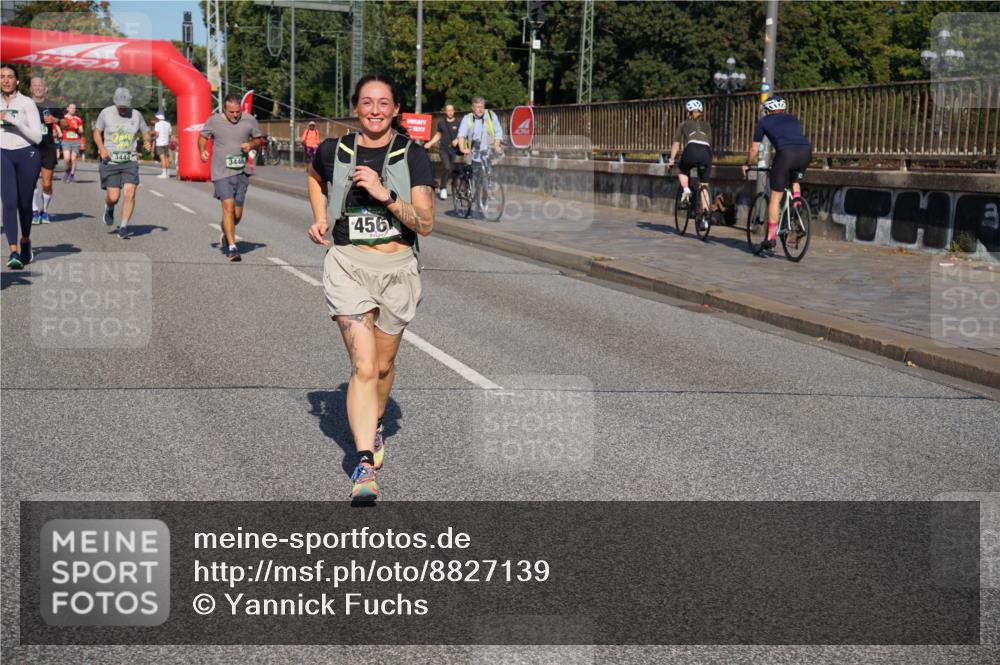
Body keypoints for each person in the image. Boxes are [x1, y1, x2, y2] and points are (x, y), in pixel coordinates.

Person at [306, 74, 434, 500]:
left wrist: (384, 195)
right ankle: (363, 464)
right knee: (362, 368)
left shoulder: (412, 155)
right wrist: (321, 214)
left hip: (398, 269)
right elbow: (313, 176)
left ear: (396, 109)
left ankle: (375, 425)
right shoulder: (334, 150)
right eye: (367, 102)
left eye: (383, 103)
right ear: (355, 107)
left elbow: (427, 224)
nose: (375, 110)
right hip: (347, 265)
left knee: (381, 367)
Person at [741, 95, 812, 255]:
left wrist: (748, 163)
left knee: (775, 197)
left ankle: (771, 237)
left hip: (786, 155)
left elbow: (754, 148)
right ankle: (797, 208)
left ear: (767, 110)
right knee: (794, 179)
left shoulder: (764, 122)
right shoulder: (793, 119)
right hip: (805, 153)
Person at [199, 94, 265, 262]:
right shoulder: (214, 121)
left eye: (237, 112)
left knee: (236, 214)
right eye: (231, 112)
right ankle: (233, 247)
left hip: (241, 171)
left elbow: (258, 140)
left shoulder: (249, 120)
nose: (235, 115)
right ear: (224, 109)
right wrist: (202, 150)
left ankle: (225, 230)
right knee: (227, 207)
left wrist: (251, 145)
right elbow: (202, 137)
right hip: (221, 172)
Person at [93, 87, 153, 239]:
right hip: (110, 159)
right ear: (115, 102)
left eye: (125, 106)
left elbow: (146, 132)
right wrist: (101, 148)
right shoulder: (106, 113)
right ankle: (109, 206)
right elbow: (96, 132)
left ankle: (124, 226)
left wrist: (147, 141)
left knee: (130, 192)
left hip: (130, 160)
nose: (123, 109)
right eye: (120, 106)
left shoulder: (137, 115)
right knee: (113, 197)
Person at [1, 64, 43, 269]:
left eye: (10, 77)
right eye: (2, 77)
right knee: (8, 202)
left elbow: (37, 137)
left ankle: (25, 240)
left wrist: (12, 120)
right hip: (3, 155)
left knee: (24, 205)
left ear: (17, 81)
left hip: (27, 154)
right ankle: (13, 252)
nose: (6, 80)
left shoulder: (27, 103)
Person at [667, 99, 713, 232]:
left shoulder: (684, 124)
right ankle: (705, 218)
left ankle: (686, 189)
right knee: (704, 185)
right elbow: (709, 144)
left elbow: (676, 143)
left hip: (691, 150)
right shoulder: (707, 125)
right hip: (706, 153)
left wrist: (671, 160)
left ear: (688, 111)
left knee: (682, 170)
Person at [29, 75, 62, 225]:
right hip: (29, 147)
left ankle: (45, 210)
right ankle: (34, 210)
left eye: (40, 85)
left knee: (47, 184)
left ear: (45, 88)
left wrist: (55, 120)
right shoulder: (25, 104)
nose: (37, 87)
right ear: (30, 88)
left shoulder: (53, 105)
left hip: (47, 148)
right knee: (30, 182)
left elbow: (66, 123)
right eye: (34, 85)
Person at [424, 103, 461, 200]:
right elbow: (438, 135)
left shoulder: (459, 122)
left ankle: (451, 187)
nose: (450, 112)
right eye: (448, 110)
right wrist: (430, 143)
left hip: (454, 150)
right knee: (447, 167)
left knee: (451, 169)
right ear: (445, 112)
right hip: (443, 149)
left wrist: (457, 140)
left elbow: (462, 134)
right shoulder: (441, 123)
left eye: (451, 110)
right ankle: (443, 188)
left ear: (454, 111)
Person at [60, 103, 84, 182]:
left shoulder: (78, 119)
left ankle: (72, 175)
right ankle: (67, 171)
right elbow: (59, 127)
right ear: (67, 109)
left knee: (73, 159)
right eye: (71, 108)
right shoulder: (63, 118)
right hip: (66, 140)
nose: (73, 110)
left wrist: (77, 128)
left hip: (75, 141)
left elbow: (81, 131)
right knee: (67, 159)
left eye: (74, 108)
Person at [153, 111, 172, 178]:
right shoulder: (168, 123)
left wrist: (154, 137)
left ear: (158, 117)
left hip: (160, 143)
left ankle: (164, 174)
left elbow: (157, 134)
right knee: (166, 157)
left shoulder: (157, 124)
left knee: (162, 158)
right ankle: (168, 173)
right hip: (166, 143)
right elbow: (170, 134)